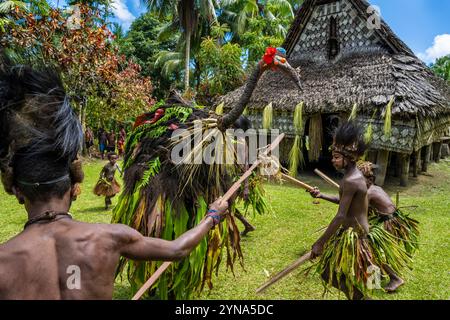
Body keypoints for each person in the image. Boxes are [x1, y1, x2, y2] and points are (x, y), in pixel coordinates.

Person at [0, 64, 229, 299]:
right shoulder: (108, 238)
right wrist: (213, 215)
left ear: (15, 190)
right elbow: (178, 248)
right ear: (73, 187)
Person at [308, 121, 411, 300]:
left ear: (349, 158)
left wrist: (320, 242)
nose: (332, 160)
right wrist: (321, 195)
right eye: (333, 156)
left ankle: (362, 296)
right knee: (361, 268)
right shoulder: (355, 177)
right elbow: (345, 203)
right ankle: (365, 294)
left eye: (336, 157)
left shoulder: (351, 181)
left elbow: (340, 215)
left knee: (327, 272)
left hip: (355, 235)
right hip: (356, 232)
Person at [309, 161, 419, 292]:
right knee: (372, 252)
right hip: (391, 219)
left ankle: (391, 278)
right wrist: (323, 195)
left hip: (388, 223)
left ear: (370, 179)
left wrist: (324, 196)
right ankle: (379, 279)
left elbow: (346, 204)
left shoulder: (368, 192)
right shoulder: (374, 188)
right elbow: (348, 202)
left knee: (371, 251)